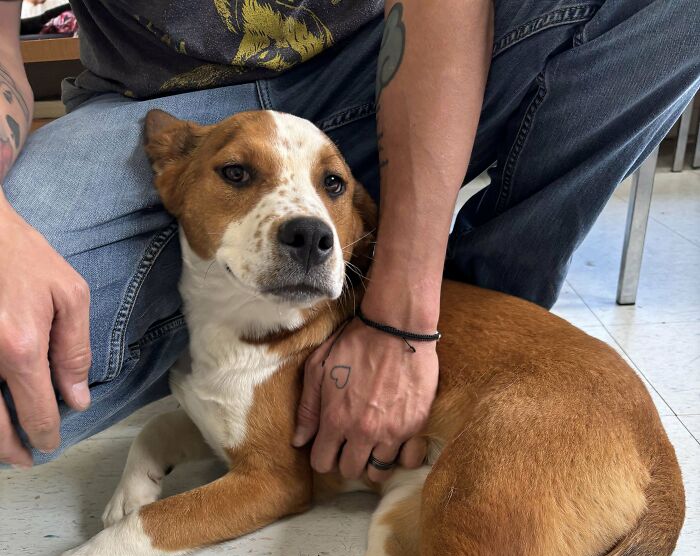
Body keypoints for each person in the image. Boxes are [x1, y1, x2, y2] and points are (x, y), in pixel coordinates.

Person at [0, 0, 698, 476]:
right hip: (154, 106)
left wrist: (403, 316)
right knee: (14, 373)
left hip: (394, 58)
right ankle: (257, 369)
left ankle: (455, 345)